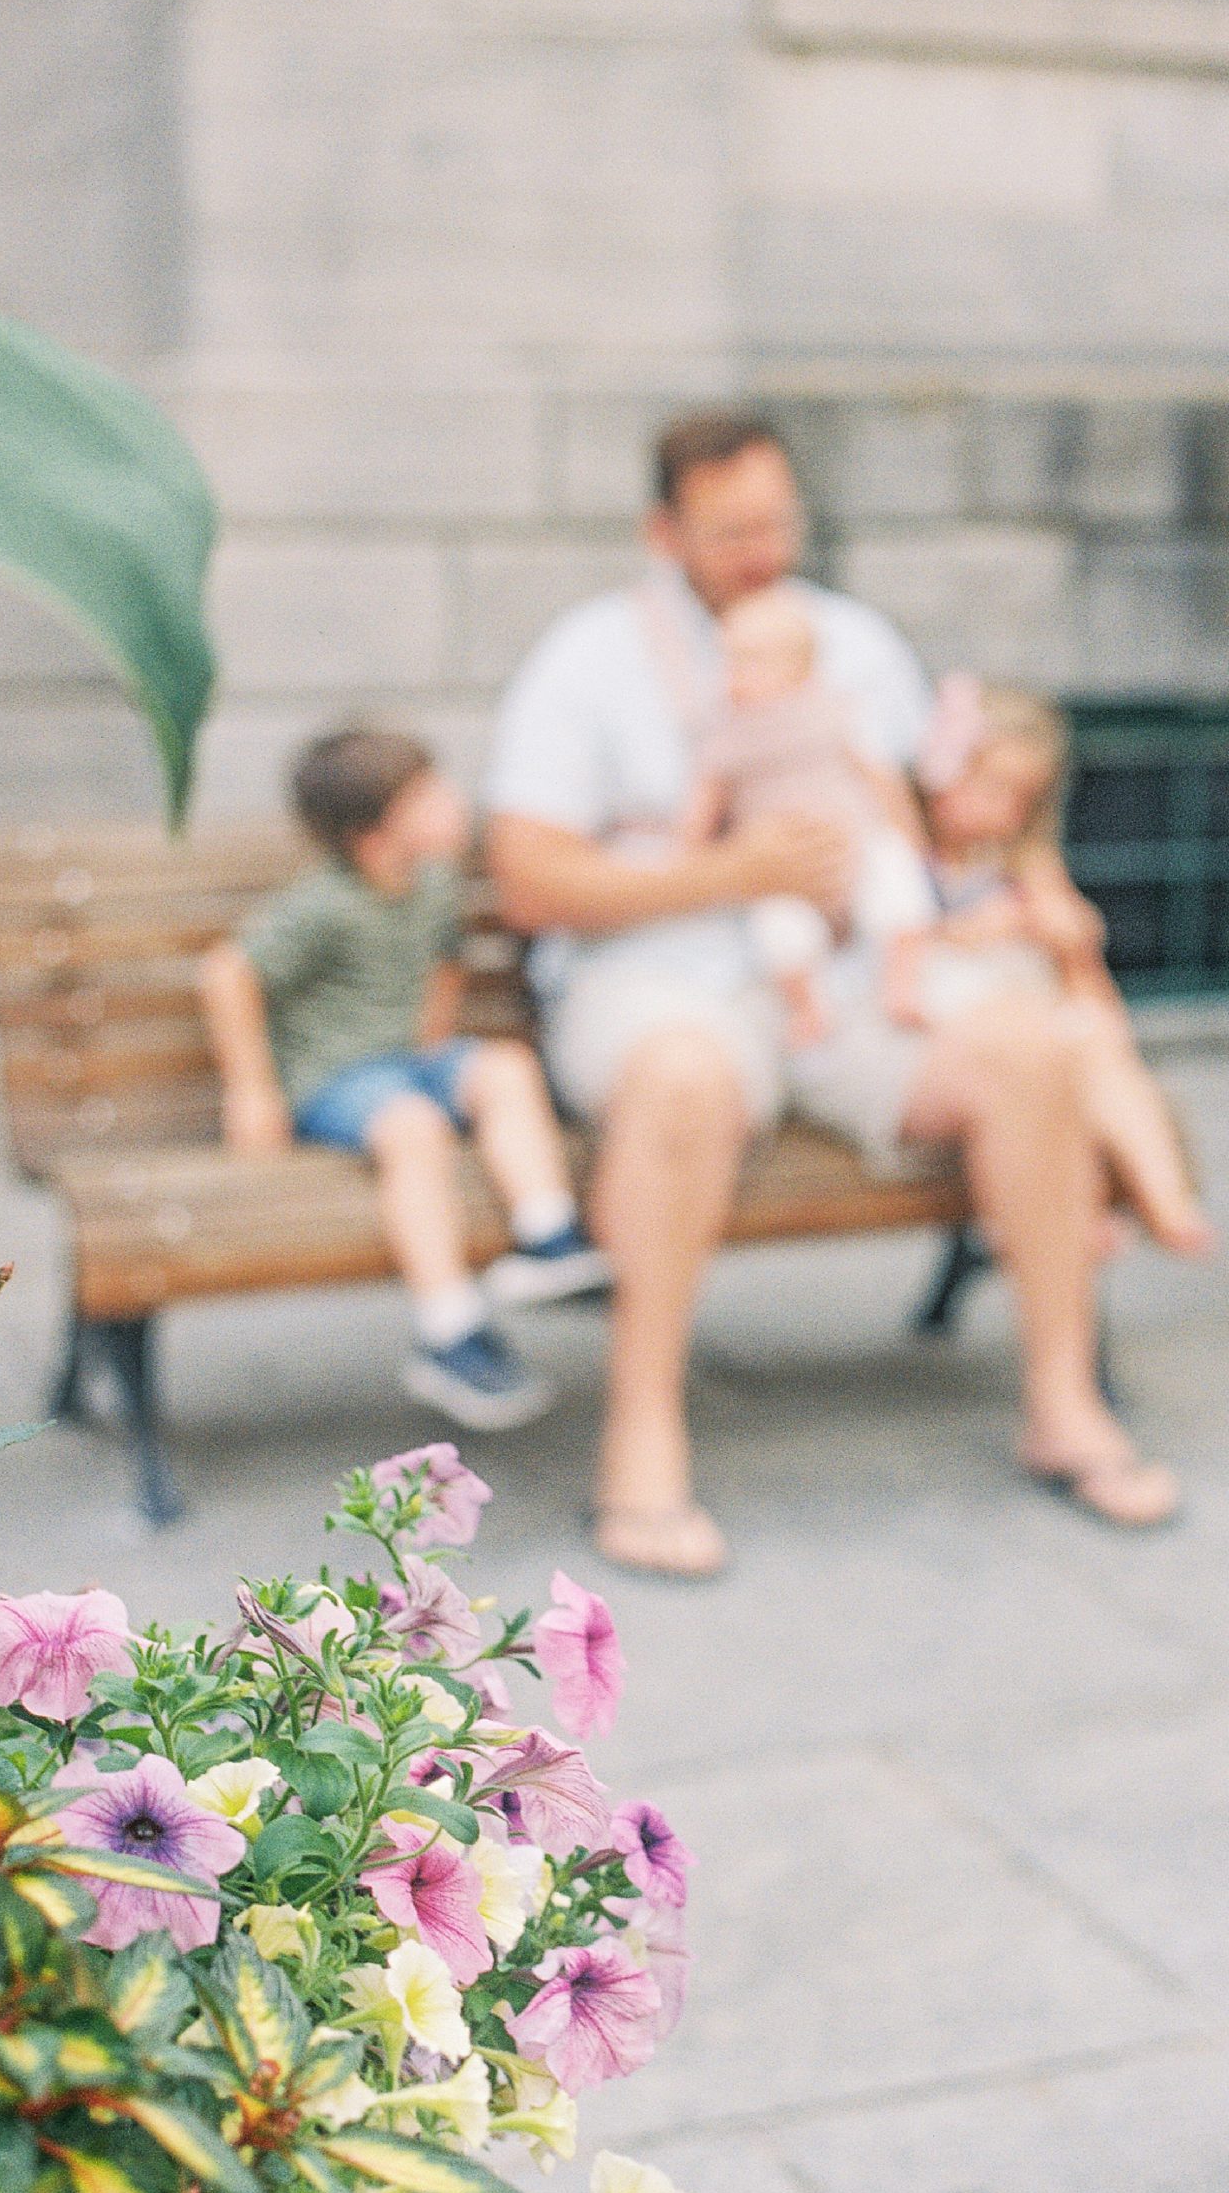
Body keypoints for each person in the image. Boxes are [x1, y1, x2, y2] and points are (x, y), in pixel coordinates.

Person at [486, 409, 1181, 1570]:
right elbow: (524, 877)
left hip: (853, 978)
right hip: (662, 979)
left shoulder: (855, 644)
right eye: (728, 531)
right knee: (683, 1075)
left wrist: (973, 905)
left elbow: (930, 823)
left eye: (776, 522)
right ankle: (642, 1441)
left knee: (1031, 1051)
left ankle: (1063, 1407)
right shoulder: (587, 658)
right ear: (664, 531)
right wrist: (726, 872)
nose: (761, 550)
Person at [199, 726, 608, 1431]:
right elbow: (227, 973)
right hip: (336, 1079)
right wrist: (253, 1092)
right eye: (427, 794)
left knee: (505, 1066)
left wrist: (435, 1043)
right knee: (414, 1130)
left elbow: (444, 957)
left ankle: (548, 1237)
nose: (454, 802)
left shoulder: (433, 882)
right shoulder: (324, 904)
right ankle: (448, 1330)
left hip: (409, 1064)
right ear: (373, 834)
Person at [899, 674, 1215, 1258]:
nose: (1007, 812)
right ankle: (1072, 1208)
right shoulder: (902, 860)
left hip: (1044, 1020)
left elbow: (1078, 956)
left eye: (1024, 798)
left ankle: (1164, 1198)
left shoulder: (1022, 863)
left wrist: (1057, 929)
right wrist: (963, 934)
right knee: (1053, 1067)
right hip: (954, 1034)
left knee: (1095, 1053)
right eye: (992, 787)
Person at [678, 581, 938, 1046]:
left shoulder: (835, 709)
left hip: (857, 837)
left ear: (800, 666)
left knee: (897, 889)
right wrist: (690, 850)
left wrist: (909, 837)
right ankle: (807, 1007)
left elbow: (879, 776)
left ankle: (902, 981)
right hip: (780, 866)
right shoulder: (727, 730)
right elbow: (708, 795)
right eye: (728, 658)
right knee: (779, 929)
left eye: (750, 660)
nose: (733, 673)